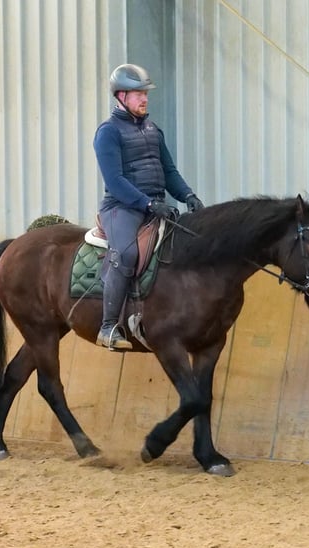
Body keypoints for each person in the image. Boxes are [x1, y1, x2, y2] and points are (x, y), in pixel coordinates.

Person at [93, 63, 204, 351]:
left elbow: (169, 172)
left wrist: (188, 195)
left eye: (145, 93)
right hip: (122, 208)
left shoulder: (154, 130)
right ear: (121, 96)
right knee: (127, 253)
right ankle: (108, 327)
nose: (144, 99)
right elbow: (114, 180)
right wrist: (148, 203)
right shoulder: (108, 132)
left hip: (156, 206)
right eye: (137, 93)